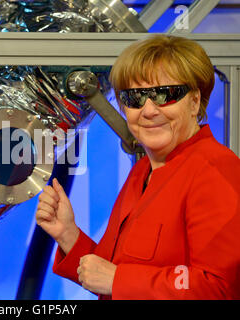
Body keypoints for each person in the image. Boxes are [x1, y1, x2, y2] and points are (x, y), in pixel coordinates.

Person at [35, 34, 240, 299]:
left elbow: (218, 288)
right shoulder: (142, 171)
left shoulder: (216, 170)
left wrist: (118, 279)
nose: (149, 110)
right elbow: (108, 275)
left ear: (195, 101)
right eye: (135, 98)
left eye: (165, 94)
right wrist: (68, 235)